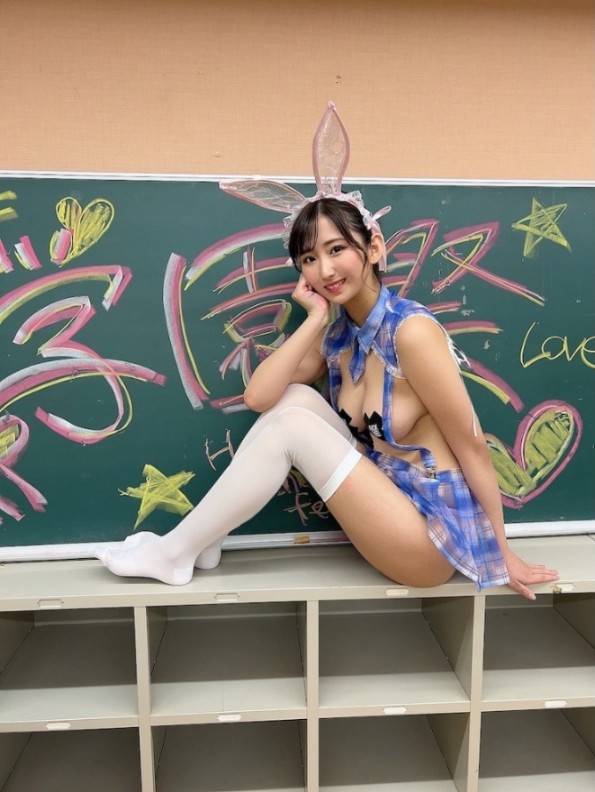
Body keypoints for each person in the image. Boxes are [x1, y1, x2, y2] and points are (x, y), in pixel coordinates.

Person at [96, 105, 559, 600]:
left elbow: (471, 445)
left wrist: (502, 553)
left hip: (431, 537)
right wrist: (315, 318)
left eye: (337, 249)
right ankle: (202, 540)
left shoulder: (412, 333)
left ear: (373, 248)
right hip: (385, 501)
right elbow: (259, 397)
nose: (325, 270)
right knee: (294, 400)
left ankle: (174, 553)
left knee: (294, 428)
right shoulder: (339, 334)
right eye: (309, 259)